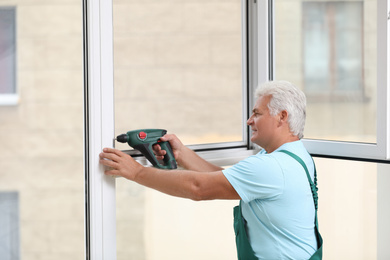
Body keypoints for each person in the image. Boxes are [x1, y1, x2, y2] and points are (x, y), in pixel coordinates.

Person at [99, 80, 320, 259]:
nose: (249, 120)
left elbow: (199, 188)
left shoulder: (273, 167)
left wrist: (136, 172)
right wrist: (182, 154)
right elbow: (224, 178)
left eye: (257, 114)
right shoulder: (293, 156)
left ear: (282, 116)